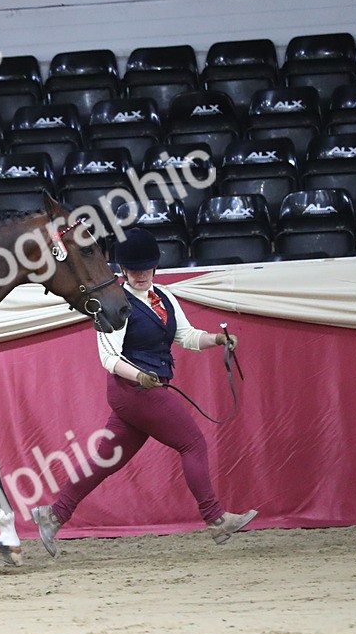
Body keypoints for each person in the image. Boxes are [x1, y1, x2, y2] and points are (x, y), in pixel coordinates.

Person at [32, 228, 258, 556]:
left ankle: (53, 514)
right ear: (122, 271)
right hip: (133, 389)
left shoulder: (165, 297)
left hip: (143, 388)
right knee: (192, 442)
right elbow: (109, 357)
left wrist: (217, 339)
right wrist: (141, 375)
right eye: (133, 270)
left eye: (145, 269)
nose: (140, 275)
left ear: (154, 267)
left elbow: (186, 336)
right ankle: (215, 519)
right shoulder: (114, 304)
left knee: (106, 460)